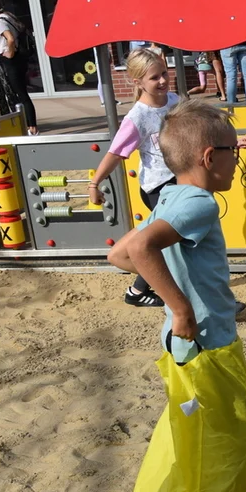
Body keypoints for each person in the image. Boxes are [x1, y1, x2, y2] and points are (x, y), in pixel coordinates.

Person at [106, 98, 243, 365]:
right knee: (226, 407)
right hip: (207, 338)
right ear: (210, 156)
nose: (237, 160)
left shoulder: (169, 197)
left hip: (181, 338)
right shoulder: (201, 203)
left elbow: (118, 255)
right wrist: (182, 310)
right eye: (234, 150)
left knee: (190, 407)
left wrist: (175, 282)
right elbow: (138, 248)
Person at [88, 49, 181, 307]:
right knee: (173, 242)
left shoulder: (175, 100)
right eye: (154, 78)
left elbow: (196, 128)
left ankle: (138, 290)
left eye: (164, 73)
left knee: (168, 241)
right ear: (137, 82)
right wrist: (95, 183)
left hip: (180, 181)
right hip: (159, 186)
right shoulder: (137, 117)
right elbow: (116, 153)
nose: (162, 80)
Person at [0, 0, 38, 135]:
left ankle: (31, 127)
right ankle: (30, 125)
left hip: (12, 60)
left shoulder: (1, 21)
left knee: (21, 94)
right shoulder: (8, 15)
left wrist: (9, 53)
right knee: (22, 93)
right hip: (20, 58)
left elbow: (10, 38)